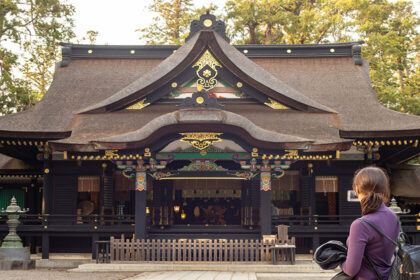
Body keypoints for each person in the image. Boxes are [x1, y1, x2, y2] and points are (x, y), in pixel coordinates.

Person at [340, 167, 399, 279]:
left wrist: (337, 260)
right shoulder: (393, 217)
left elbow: (351, 270)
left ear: (357, 190)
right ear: (385, 189)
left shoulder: (360, 225)